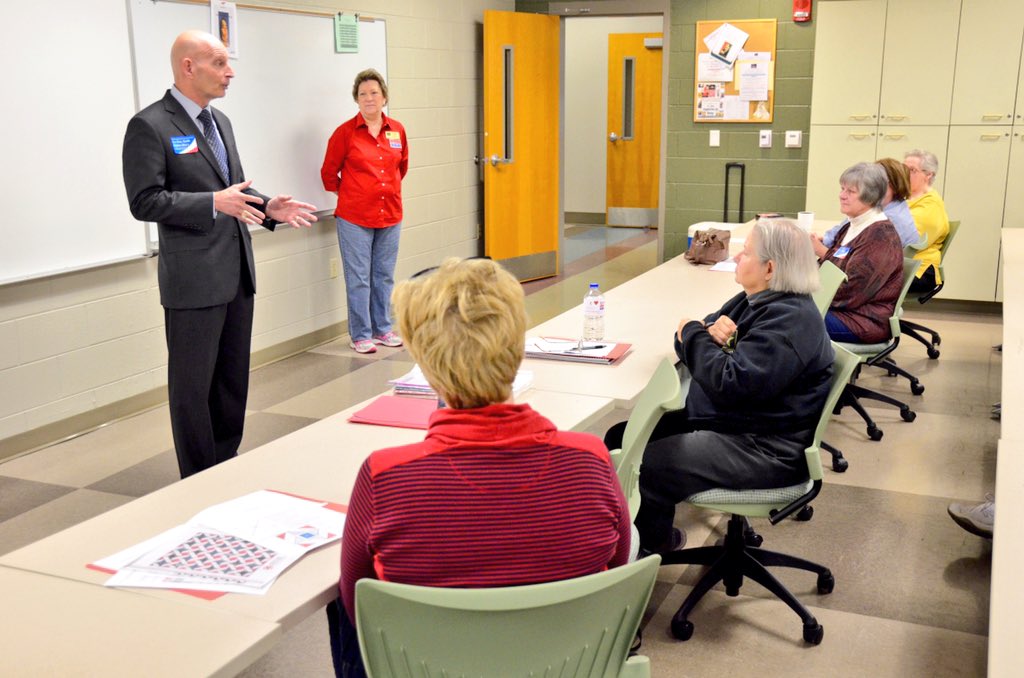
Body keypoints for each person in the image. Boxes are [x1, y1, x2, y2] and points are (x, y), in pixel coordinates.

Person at [328, 257, 631, 677]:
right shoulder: (591, 460)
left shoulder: (386, 476)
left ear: (427, 369)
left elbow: (358, 604)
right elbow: (612, 577)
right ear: (517, 349)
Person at [122, 31, 317, 478]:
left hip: (236, 273)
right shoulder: (150, 125)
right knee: (193, 389)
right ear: (188, 67)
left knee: (231, 382)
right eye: (219, 62)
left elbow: (235, 190)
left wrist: (267, 208)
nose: (230, 72)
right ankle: (197, 479)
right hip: (193, 280)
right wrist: (212, 203)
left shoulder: (219, 122)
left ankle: (223, 466)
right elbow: (145, 201)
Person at [618, 219, 833, 555]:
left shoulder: (788, 322)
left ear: (770, 268)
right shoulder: (758, 299)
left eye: (745, 254)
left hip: (765, 448)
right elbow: (695, 341)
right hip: (738, 421)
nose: (735, 259)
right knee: (623, 437)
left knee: (648, 463)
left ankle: (651, 551)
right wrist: (699, 337)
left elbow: (726, 381)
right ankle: (623, 537)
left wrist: (694, 334)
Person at [321, 69, 408, 354]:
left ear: (384, 97)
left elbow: (401, 166)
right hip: (354, 218)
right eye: (362, 94)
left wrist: (384, 191)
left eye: (374, 93)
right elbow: (328, 173)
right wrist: (352, 193)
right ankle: (360, 334)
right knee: (358, 277)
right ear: (356, 100)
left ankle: (382, 329)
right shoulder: (345, 132)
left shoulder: (397, 130)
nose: (368, 98)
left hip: (390, 213)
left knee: (383, 275)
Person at [811, 162, 904, 344]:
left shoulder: (880, 238)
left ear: (870, 197)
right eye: (842, 188)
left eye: (850, 192)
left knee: (782, 318)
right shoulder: (852, 225)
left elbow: (850, 295)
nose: (842, 195)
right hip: (841, 310)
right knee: (766, 301)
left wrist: (805, 292)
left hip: (862, 321)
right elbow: (832, 264)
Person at [821, 157, 921, 249]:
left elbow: (847, 262)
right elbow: (839, 235)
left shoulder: (887, 224)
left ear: (893, 186)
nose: (842, 196)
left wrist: (818, 248)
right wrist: (822, 241)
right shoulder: (880, 209)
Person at [904, 149, 950, 294]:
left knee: (860, 281)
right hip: (902, 265)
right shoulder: (904, 198)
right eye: (903, 169)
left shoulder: (930, 205)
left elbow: (904, 240)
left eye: (912, 170)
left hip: (918, 270)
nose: (904, 174)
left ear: (928, 174)